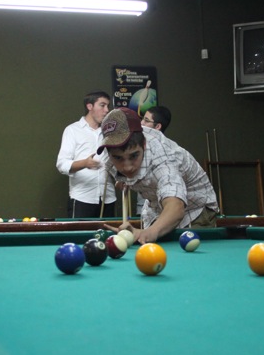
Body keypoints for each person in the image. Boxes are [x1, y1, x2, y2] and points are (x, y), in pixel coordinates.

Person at [99, 107, 218, 244]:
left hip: (195, 209)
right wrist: (125, 179)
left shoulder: (163, 158)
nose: (128, 167)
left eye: (134, 156)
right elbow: (125, 168)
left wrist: (150, 232)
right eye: (118, 158)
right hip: (156, 208)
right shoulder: (107, 157)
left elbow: (176, 205)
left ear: (144, 144)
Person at [56, 91, 116, 218]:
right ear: (90, 106)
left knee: (108, 232)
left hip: (108, 198)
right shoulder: (73, 130)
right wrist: (85, 163)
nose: (107, 110)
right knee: (80, 232)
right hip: (82, 198)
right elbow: (61, 164)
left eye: (108, 106)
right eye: (102, 105)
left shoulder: (110, 132)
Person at [137, 106, 172, 214]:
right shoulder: (141, 144)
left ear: (157, 126)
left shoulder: (165, 150)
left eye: (146, 120)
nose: (141, 123)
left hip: (163, 205)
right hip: (144, 205)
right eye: (142, 119)